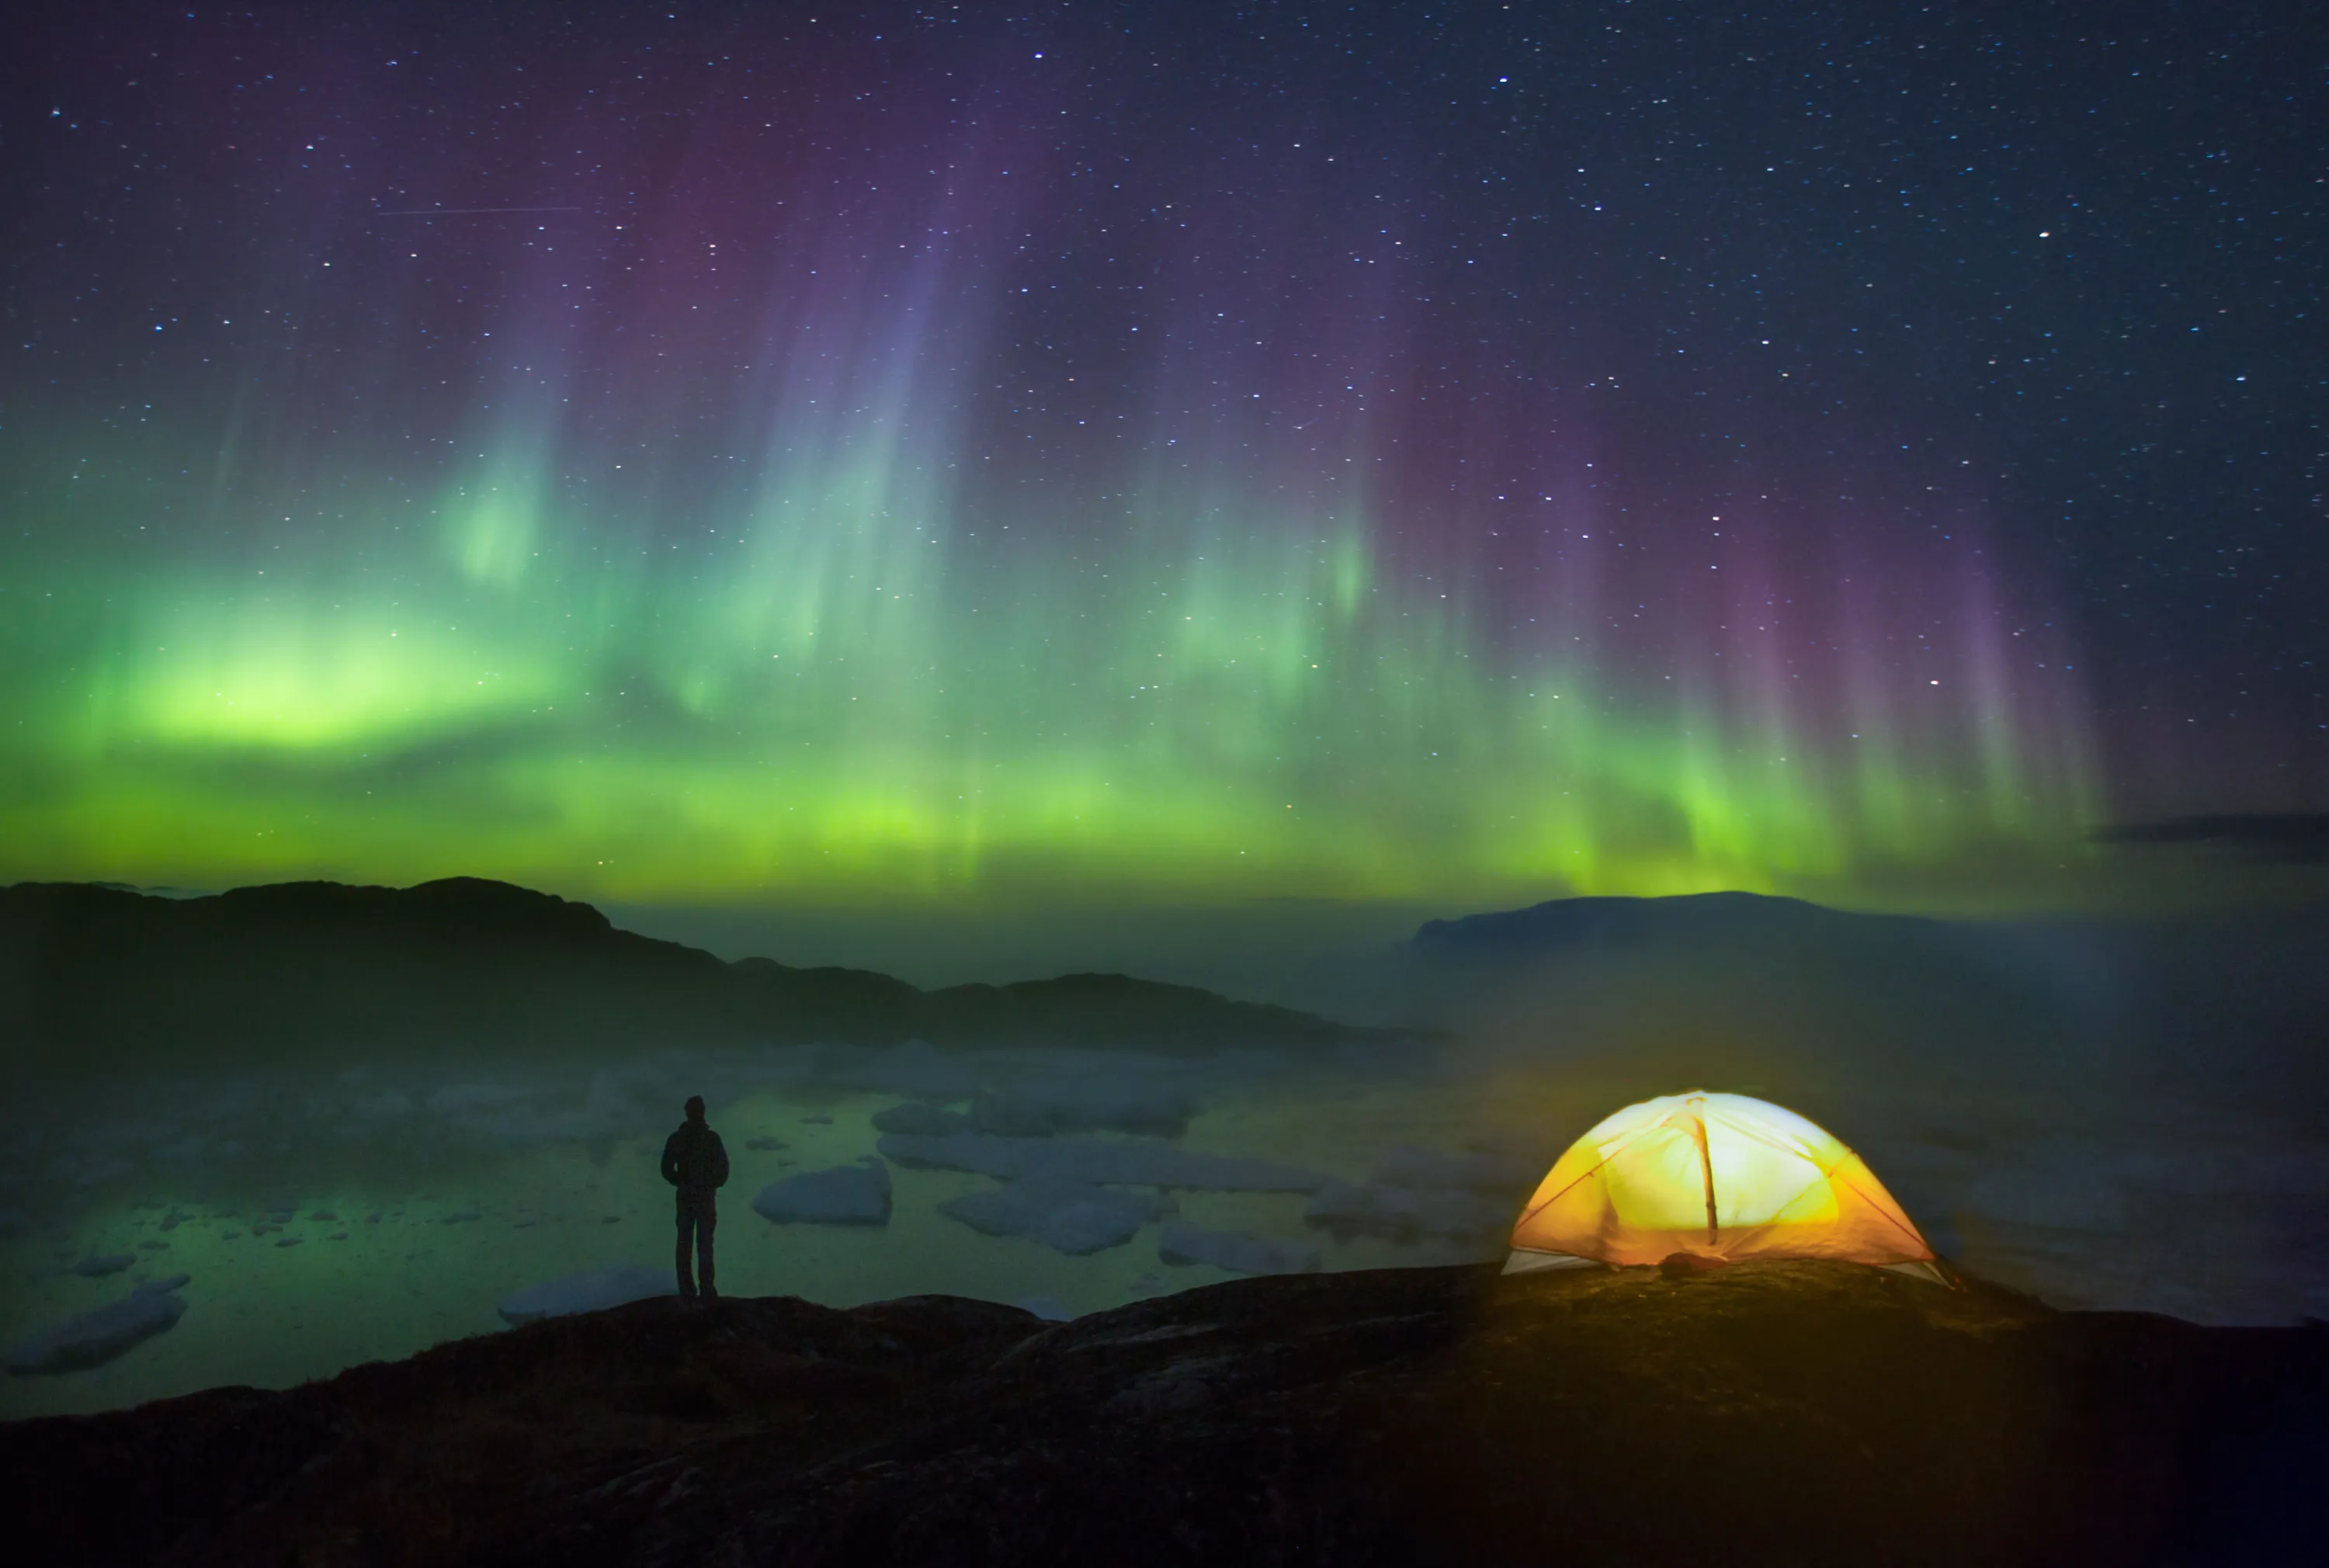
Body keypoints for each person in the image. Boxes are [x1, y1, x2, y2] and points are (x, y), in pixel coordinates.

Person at [660, 1094, 730, 1300]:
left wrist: (680, 1181)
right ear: (702, 1113)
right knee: (704, 1243)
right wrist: (710, 1184)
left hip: (686, 1197)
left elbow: (666, 1169)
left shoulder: (677, 1139)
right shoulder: (712, 1139)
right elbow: (724, 1170)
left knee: (685, 1242)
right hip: (705, 1198)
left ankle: (687, 1289)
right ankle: (706, 1287)